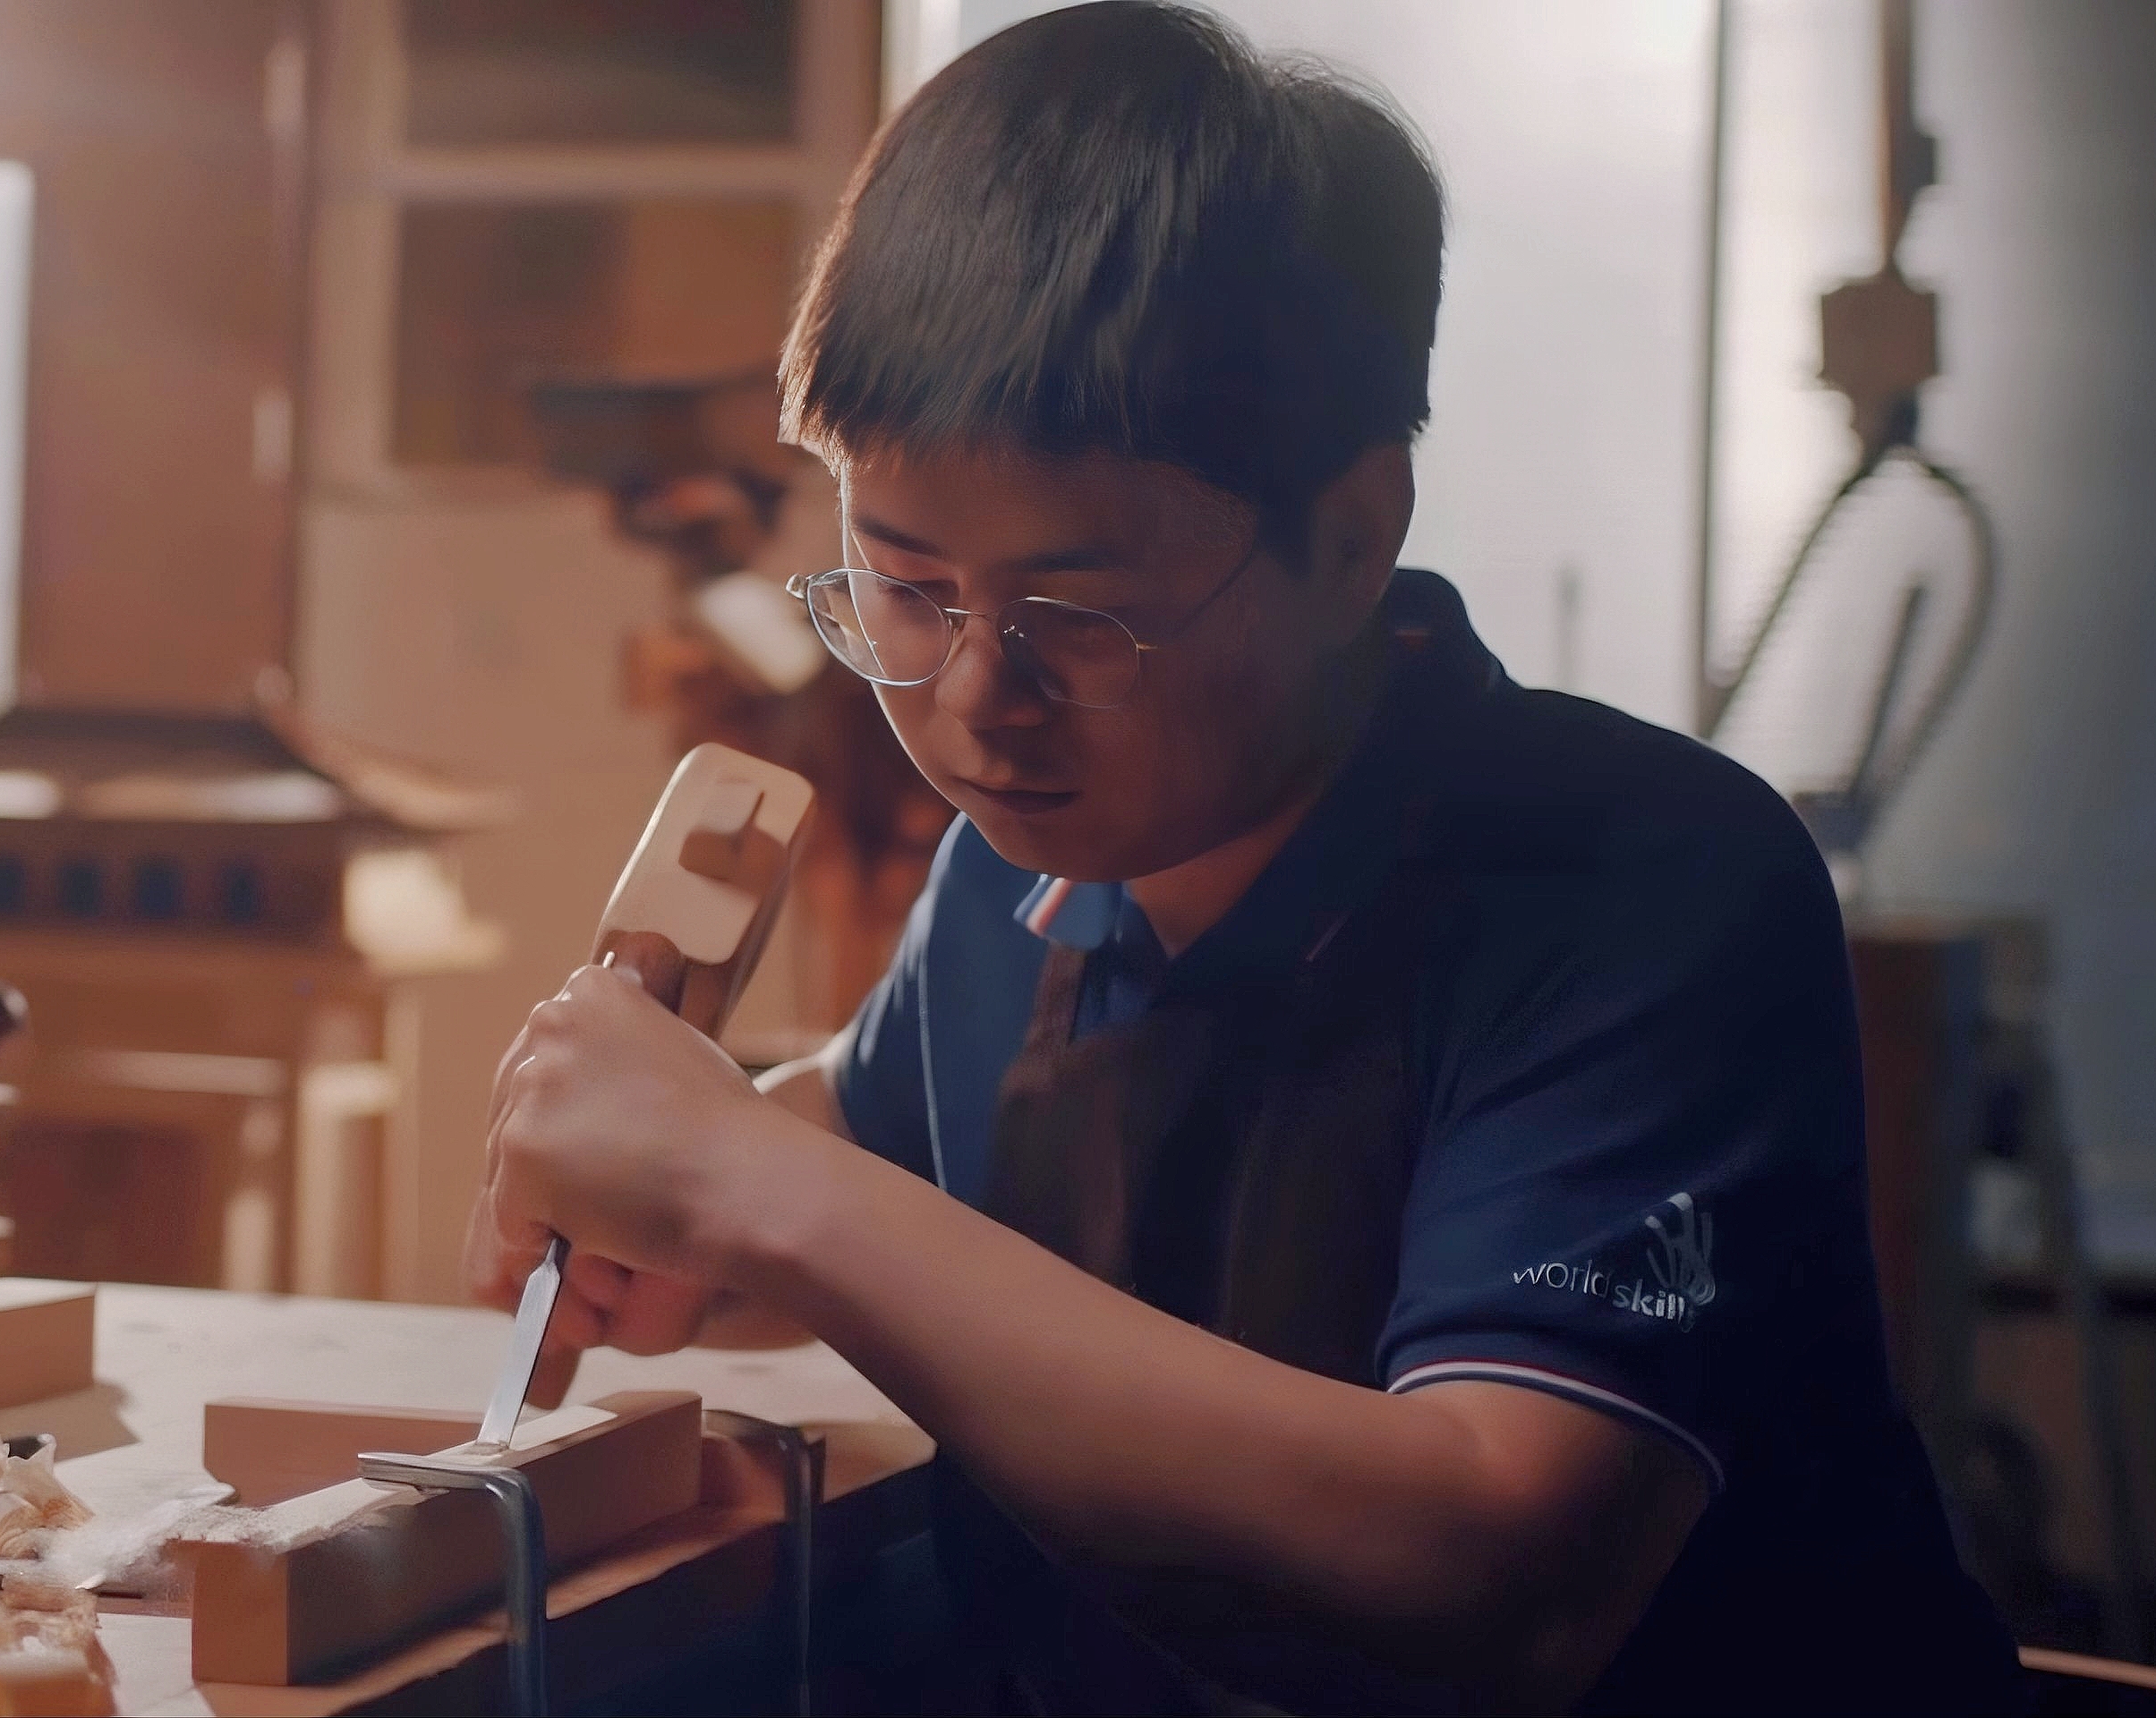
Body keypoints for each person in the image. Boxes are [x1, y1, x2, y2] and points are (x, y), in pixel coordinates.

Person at [465, 4, 2022, 1711]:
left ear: (1352, 535)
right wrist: (682, 1217)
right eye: (905, 586)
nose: (979, 701)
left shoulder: (1655, 888)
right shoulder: (1023, 870)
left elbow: (1495, 1573)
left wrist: (755, 1190)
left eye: (1078, 613)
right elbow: (883, 1137)